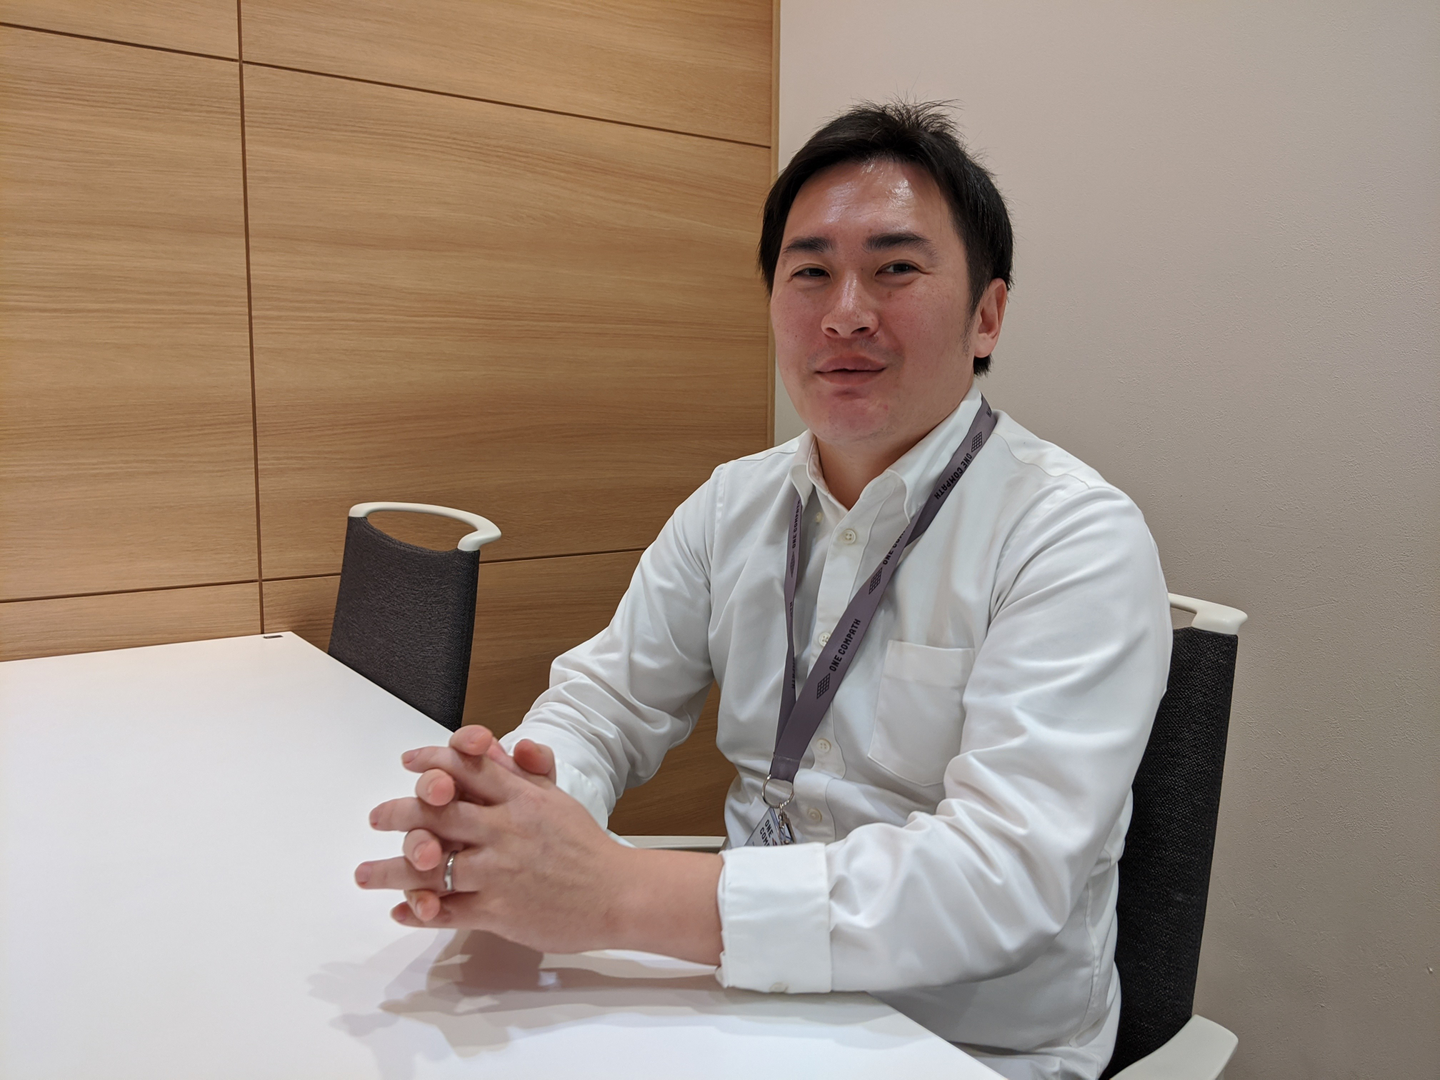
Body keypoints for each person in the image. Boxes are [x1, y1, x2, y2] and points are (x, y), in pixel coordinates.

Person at [353, 102, 1172, 1080]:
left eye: (895, 269)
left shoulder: (1073, 536)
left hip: (964, 1044)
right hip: (738, 997)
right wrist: (516, 816)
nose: (845, 312)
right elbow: (606, 702)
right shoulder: (733, 503)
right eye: (810, 271)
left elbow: (1001, 877)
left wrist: (615, 895)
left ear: (987, 314)